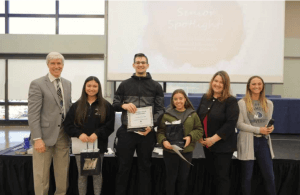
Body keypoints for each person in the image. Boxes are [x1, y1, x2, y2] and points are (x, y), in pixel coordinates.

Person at [113, 53, 165, 195]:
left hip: (147, 133)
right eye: (138, 62)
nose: (140, 64)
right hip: (126, 132)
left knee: (145, 168)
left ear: (147, 65)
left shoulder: (156, 86)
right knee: (123, 168)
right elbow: (115, 104)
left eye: (143, 62)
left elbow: (160, 110)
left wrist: (152, 125)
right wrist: (124, 105)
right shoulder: (124, 85)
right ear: (133, 65)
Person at [28, 52, 72, 195]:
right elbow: (33, 113)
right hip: (43, 138)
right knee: (41, 177)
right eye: (53, 63)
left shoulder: (67, 83)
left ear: (63, 65)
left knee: (62, 176)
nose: (56, 66)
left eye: (59, 63)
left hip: (63, 136)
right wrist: (37, 138)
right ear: (48, 65)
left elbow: (67, 108)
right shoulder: (37, 84)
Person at [64, 76, 115, 195]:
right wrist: (79, 134)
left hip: (98, 146)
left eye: (95, 86)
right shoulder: (76, 106)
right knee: (82, 175)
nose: (91, 88)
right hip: (80, 146)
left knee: (97, 174)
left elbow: (110, 125)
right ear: (84, 87)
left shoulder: (106, 105)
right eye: (89, 86)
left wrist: (97, 133)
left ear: (99, 88)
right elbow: (68, 125)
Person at [196, 70, 239, 195]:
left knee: (222, 178)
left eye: (221, 82)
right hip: (207, 146)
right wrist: (199, 136)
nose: (218, 84)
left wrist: (213, 139)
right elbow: (199, 117)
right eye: (216, 81)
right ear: (212, 82)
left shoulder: (230, 101)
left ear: (226, 85)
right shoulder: (206, 98)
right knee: (212, 176)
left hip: (223, 147)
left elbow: (230, 123)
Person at [157, 89, 203, 195]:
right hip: (170, 152)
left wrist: (191, 137)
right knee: (170, 179)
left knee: (183, 179)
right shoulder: (166, 114)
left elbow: (200, 130)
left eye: (181, 98)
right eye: (175, 99)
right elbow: (160, 132)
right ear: (172, 101)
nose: (178, 101)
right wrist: (163, 141)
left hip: (186, 153)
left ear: (185, 99)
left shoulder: (193, 114)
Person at [236, 76, 276, 195]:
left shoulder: (269, 103)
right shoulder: (242, 103)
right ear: (249, 86)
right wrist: (259, 130)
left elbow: (267, 122)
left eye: (259, 84)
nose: (256, 86)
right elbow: (239, 124)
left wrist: (270, 128)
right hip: (248, 142)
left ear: (263, 86)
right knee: (247, 178)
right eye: (253, 84)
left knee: (270, 177)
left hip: (263, 142)